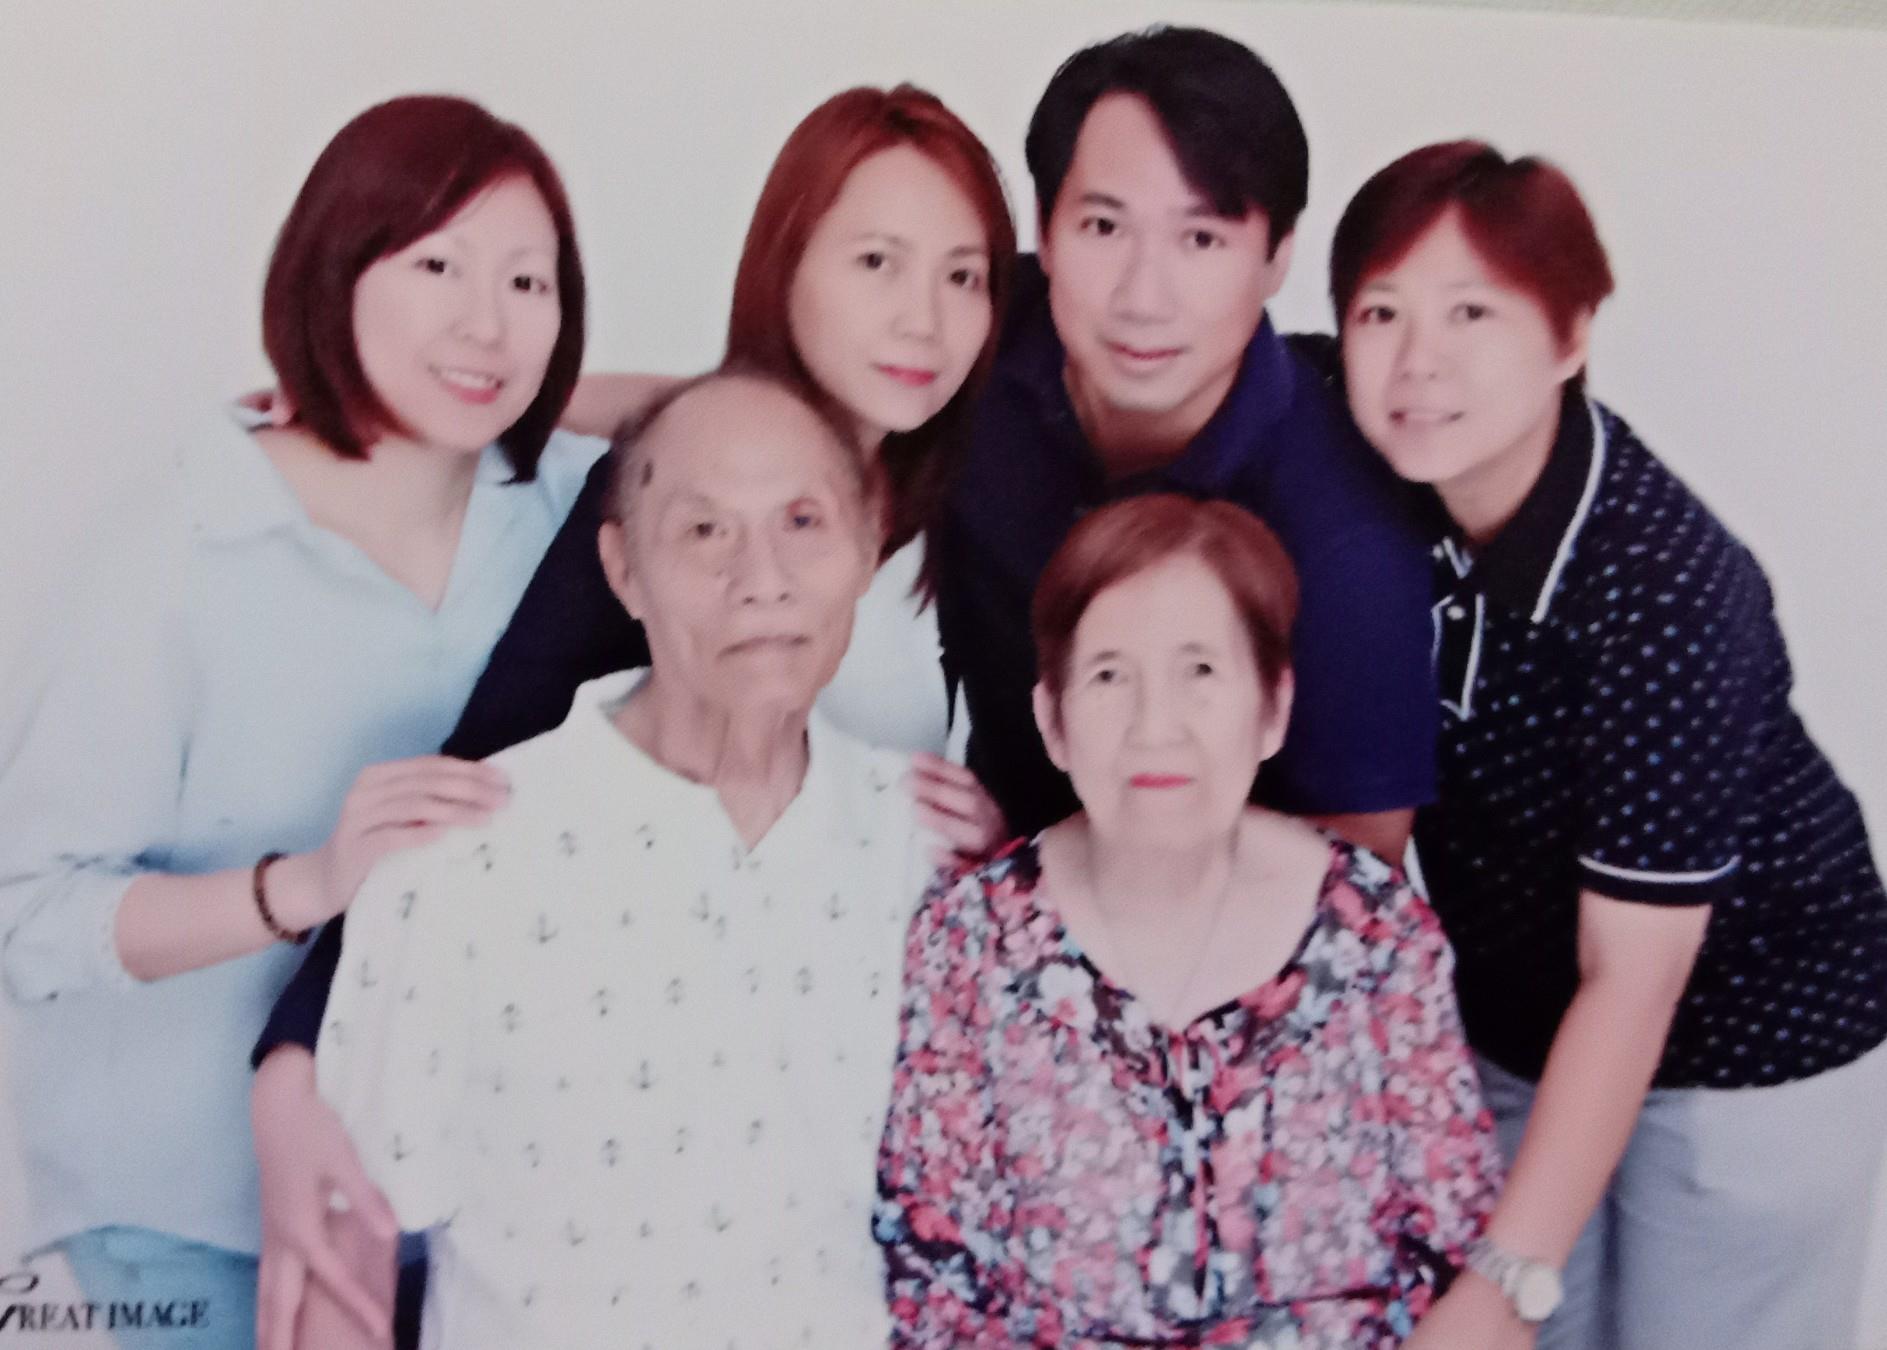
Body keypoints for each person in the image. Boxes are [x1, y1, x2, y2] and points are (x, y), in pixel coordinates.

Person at [247, 82, 1017, 1349]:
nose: (923, 318)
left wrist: (1000, 844)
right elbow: (468, 789)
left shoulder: (973, 492)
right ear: (786, 264)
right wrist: (289, 1079)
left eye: (964, 275)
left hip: (829, 1123)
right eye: (875, 261)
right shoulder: (668, 507)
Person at [0, 95, 595, 1349]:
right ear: (336, 267)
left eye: (527, 280)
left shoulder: (556, 520)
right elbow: (27, 918)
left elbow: (733, 431)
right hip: (184, 1213)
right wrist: (304, 883)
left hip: (470, 1201)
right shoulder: (184, 546)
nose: (486, 320)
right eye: (436, 264)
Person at [1330, 140, 1887, 1350]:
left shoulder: (1668, 586)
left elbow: (1635, 981)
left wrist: (1505, 1280)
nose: (1419, 360)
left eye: (1472, 310)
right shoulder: (1370, 479)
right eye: (1382, 311)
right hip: (1518, 1021)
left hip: (1752, 1047)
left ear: (1572, 334)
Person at [309, 369, 934, 1348]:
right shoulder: (460, 858)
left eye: (803, 521)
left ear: (867, 543)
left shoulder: (925, 847)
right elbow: (345, 1244)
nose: (760, 577)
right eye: (703, 530)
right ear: (623, 568)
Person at [875, 493, 1502, 1348]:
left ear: (1272, 708)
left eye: (1200, 671)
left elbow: (1454, 1265)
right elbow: (936, 1284)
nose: (1153, 725)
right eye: (1108, 677)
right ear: (1051, 722)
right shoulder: (969, 945)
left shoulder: (1380, 943)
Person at [935, 26, 1438, 860]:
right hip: (980, 902)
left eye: (1200, 239)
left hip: (1218, 953)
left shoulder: (1345, 536)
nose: (1142, 298)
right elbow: (787, 419)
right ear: (1046, 229)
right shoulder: (970, 336)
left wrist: (1032, 889)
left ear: (1277, 258)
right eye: (1103, 227)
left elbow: (1351, 889)